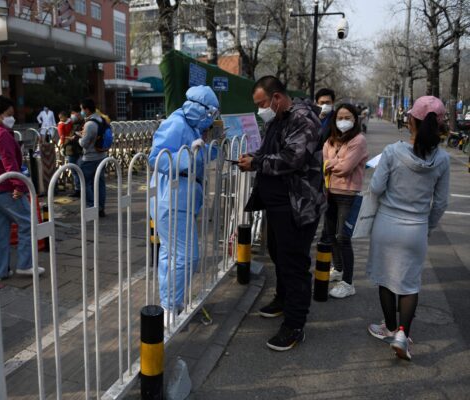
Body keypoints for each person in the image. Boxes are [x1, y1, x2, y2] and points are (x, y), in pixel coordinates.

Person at [238, 75, 325, 351]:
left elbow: (292, 158)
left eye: (262, 103)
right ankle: (283, 298)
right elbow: (270, 151)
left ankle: (295, 325)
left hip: (298, 206)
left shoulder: (303, 120)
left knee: (294, 264)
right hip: (278, 206)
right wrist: (254, 157)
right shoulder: (277, 119)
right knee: (278, 253)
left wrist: (257, 163)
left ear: (276, 97)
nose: (260, 109)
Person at [367, 96, 450, 361]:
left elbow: (376, 188)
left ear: (411, 121)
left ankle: (389, 328)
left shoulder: (393, 152)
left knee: (385, 278)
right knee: (410, 284)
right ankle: (404, 334)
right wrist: (427, 226)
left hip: (387, 224)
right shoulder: (443, 160)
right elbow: (441, 203)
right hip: (416, 228)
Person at [149, 85, 219, 326]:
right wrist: (190, 155)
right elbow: (155, 158)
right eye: (210, 114)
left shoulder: (191, 126)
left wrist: (210, 148)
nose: (211, 120)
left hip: (181, 199)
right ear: (199, 108)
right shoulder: (177, 123)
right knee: (187, 257)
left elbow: (197, 155)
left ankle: (171, 304)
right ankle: (170, 307)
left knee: (171, 255)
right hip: (172, 199)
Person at [0, 95, 45, 279]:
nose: (12, 118)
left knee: (1, 231)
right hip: (7, 187)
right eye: (9, 114)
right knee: (28, 223)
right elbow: (10, 164)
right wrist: (18, 185)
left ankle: (0, 270)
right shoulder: (1, 134)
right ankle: (25, 264)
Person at [321, 103, 368, 298]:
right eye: (340, 117)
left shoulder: (359, 140)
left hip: (348, 194)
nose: (343, 121)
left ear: (355, 120)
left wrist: (332, 164)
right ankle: (338, 269)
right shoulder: (330, 141)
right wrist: (333, 164)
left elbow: (346, 167)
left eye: (348, 117)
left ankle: (348, 282)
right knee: (331, 235)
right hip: (329, 192)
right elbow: (323, 163)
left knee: (343, 237)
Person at [77, 98, 108, 217]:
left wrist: (79, 138)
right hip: (102, 156)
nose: (81, 112)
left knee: (84, 182)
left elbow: (84, 143)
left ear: (87, 109)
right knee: (100, 183)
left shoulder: (89, 124)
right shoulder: (101, 119)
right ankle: (100, 207)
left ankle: (91, 206)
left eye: (82, 109)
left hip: (90, 158)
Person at [58, 109, 82, 196]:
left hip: (70, 148)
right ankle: (81, 188)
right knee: (78, 169)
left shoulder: (63, 125)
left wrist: (62, 143)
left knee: (74, 170)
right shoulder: (77, 124)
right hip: (78, 148)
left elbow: (62, 137)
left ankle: (78, 189)